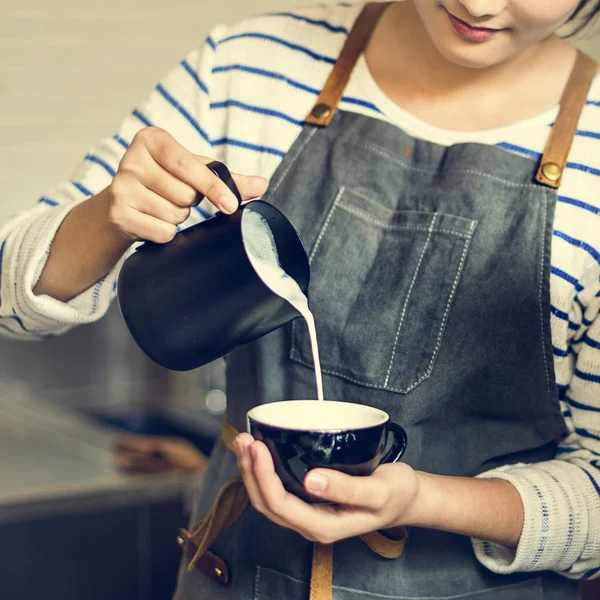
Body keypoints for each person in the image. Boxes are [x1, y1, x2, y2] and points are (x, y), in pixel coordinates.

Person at [2, 1, 599, 598]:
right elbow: (11, 305)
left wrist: (425, 499)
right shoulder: (253, 67)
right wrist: (104, 219)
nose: (480, 2)